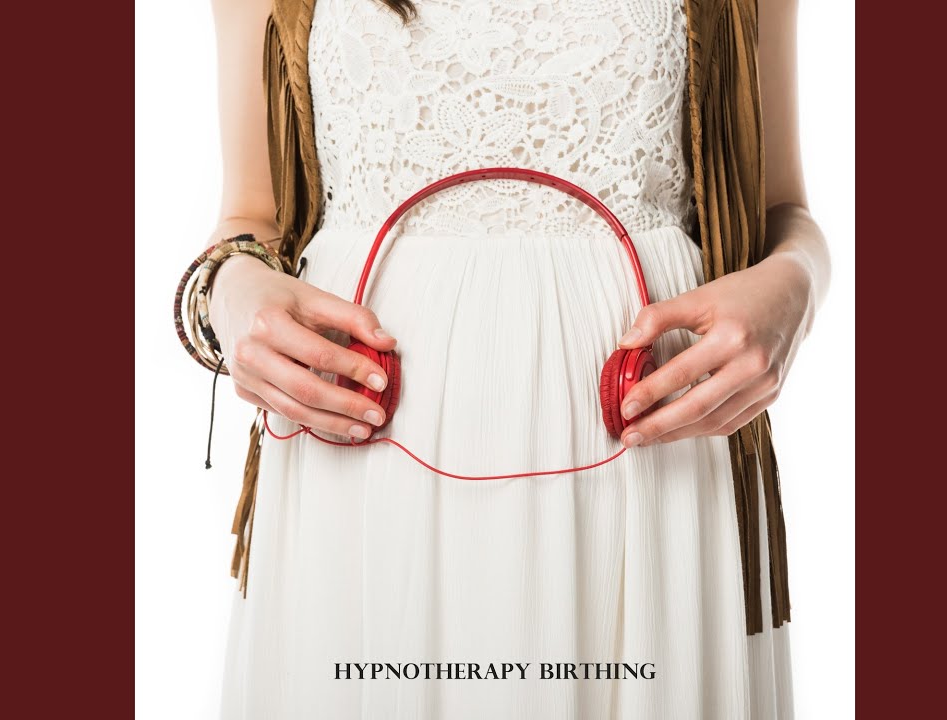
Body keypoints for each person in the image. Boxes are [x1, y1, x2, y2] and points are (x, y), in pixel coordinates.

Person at [199, 0, 829, 717]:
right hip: (359, 466)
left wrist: (798, 287)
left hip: (655, 462)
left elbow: (783, 209)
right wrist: (230, 294)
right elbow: (249, 218)